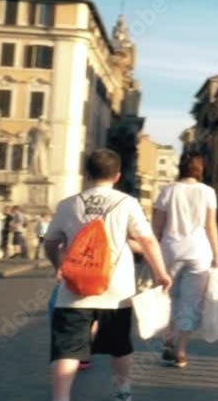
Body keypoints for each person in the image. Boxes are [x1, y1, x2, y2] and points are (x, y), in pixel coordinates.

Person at [43, 148, 172, 401]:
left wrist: (58, 263)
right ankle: (123, 392)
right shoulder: (127, 203)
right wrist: (161, 273)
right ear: (117, 176)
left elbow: (50, 242)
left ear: (87, 174)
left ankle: (61, 398)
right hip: (117, 289)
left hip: (74, 288)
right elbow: (146, 241)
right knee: (120, 346)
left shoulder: (68, 204)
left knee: (67, 350)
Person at [152, 150, 218, 369]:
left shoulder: (168, 190)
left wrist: (149, 253)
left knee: (168, 298)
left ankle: (168, 340)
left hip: (170, 250)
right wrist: (217, 256)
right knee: (191, 303)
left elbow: (157, 227)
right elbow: (211, 226)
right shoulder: (208, 192)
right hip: (199, 251)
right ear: (201, 169)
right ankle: (181, 351)